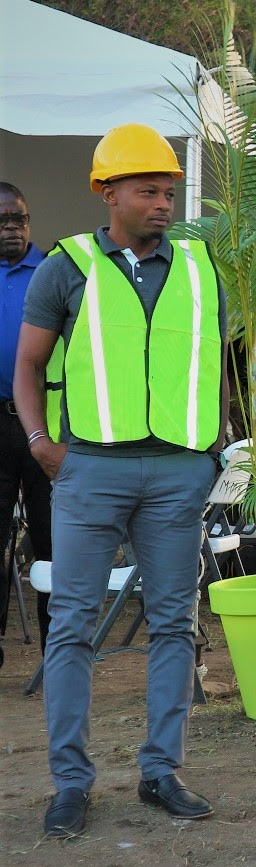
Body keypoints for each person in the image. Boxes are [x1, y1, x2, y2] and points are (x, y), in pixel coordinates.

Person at [14, 125, 228, 837]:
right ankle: (71, 784)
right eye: (147, 191)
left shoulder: (199, 266)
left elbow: (213, 363)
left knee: (175, 624)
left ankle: (161, 771)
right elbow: (28, 365)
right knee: (72, 624)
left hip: (177, 472)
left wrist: (212, 449)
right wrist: (41, 444)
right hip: (90, 468)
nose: (163, 203)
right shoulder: (66, 266)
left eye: (168, 192)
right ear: (108, 193)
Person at [0, 183, 52, 652]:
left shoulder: (52, 272)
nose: (11, 229)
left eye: (18, 219)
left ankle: (58, 647)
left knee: (52, 540)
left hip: (44, 423)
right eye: (1, 222)